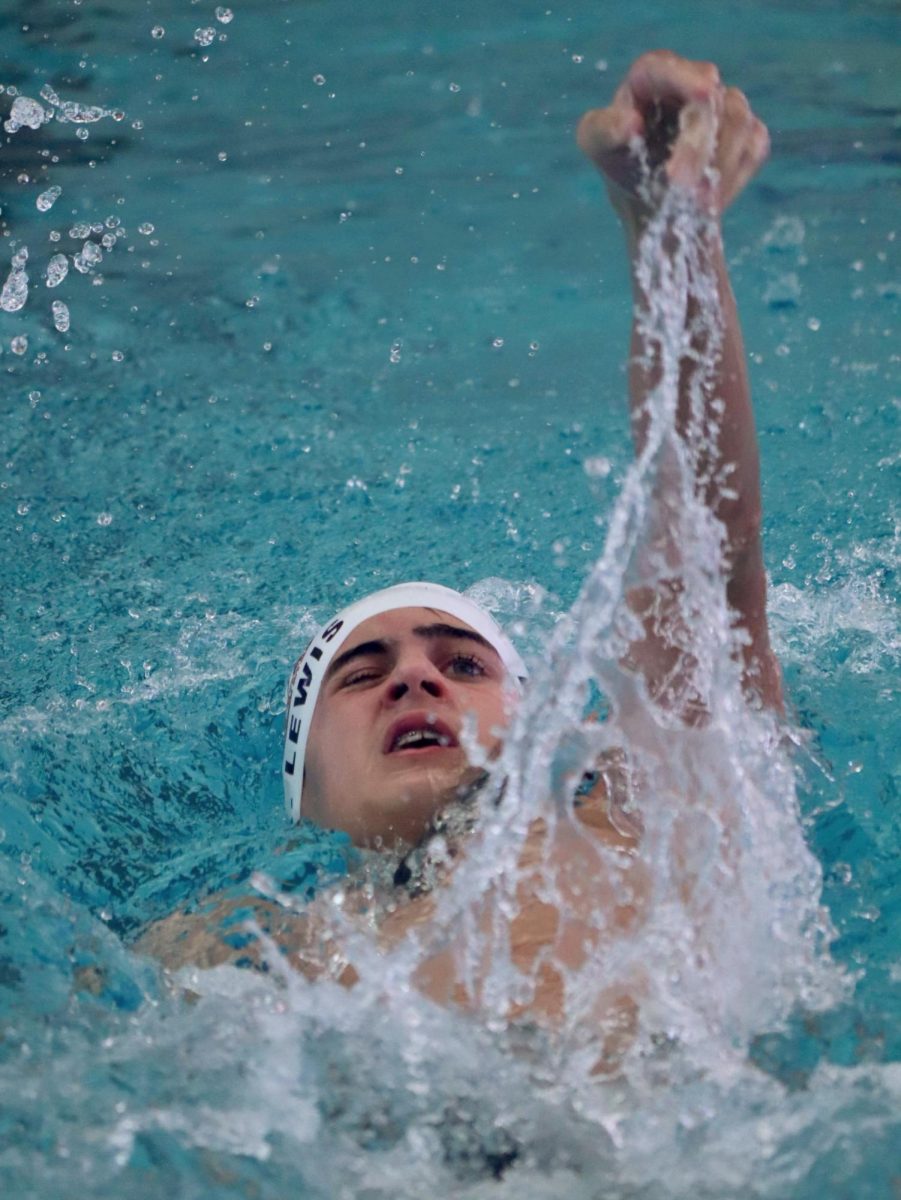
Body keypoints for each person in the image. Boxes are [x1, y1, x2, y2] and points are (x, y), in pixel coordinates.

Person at [136, 51, 781, 1039]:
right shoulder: (228, 956)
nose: (414, 681)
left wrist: (669, 242)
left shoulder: (643, 818)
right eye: (360, 674)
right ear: (301, 794)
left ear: (541, 724)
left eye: (462, 661)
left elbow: (706, 553)